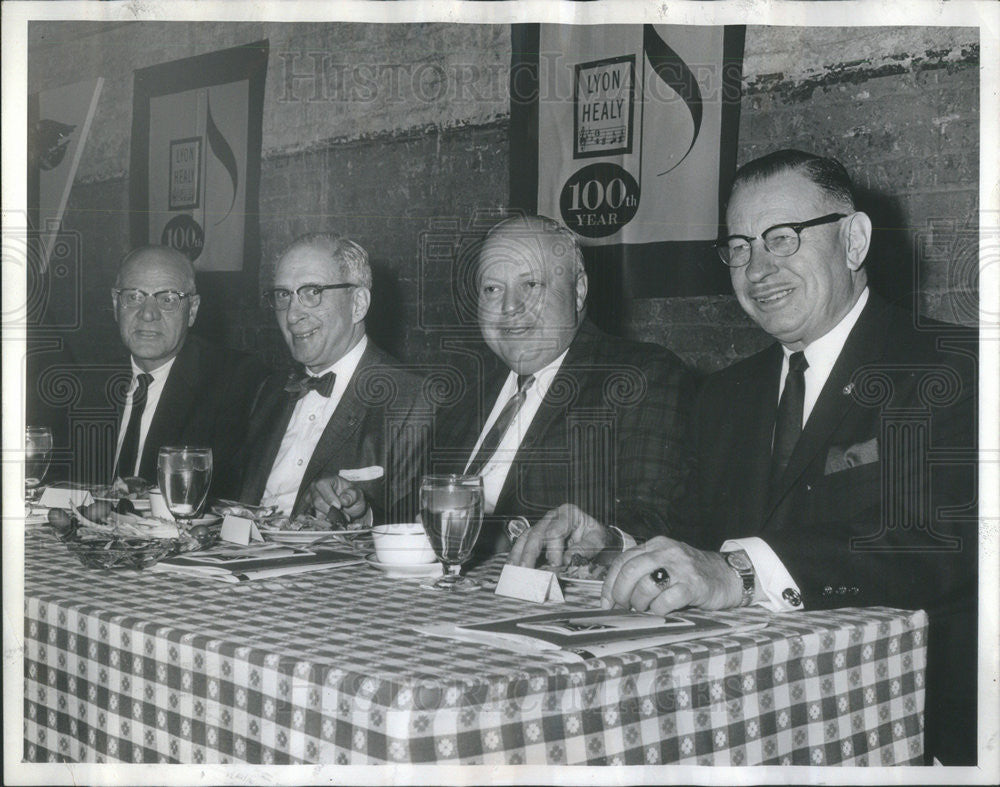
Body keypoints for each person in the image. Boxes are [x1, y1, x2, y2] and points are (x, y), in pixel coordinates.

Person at [515, 151, 978, 765]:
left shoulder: (955, 367)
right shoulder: (726, 395)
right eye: (739, 247)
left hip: (915, 729)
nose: (759, 268)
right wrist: (614, 545)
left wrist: (742, 571)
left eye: (782, 238)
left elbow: (945, 542)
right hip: (745, 723)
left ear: (855, 240)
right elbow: (693, 540)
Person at [435, 215, 696, 555]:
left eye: (531, 285)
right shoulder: (465, 384)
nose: (510, 307)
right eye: (492, 289)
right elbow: (423, 503)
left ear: (578, 290)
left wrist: (606, 540)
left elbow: (654, 522)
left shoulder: (639, 375)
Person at [237, 233, 430, 524]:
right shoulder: (271, 390)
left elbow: (418, 524)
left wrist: (363, 512)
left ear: (358, 304)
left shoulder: (412, 399)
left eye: (312, 292)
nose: (292, 315)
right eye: (283, 295)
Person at [107, 246, 267, 496]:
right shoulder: (87, 382)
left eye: (168, 299)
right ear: (116, 303)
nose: (148, 314)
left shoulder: (233, 383)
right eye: (134, 297)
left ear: (191, 310)